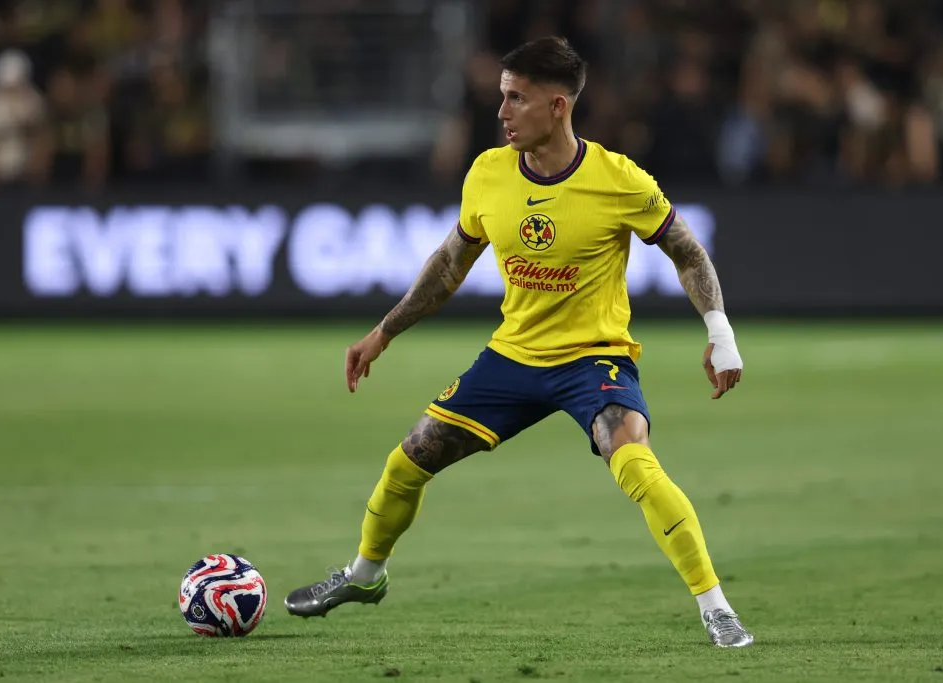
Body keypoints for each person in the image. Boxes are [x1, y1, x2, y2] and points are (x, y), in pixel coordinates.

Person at [284, 36, 753, 648]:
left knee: (633, 459)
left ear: (558, 107)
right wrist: (383, 331)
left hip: (593, 359)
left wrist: (720, 333)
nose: (501, 111)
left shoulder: (618, 179)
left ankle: (716, 607)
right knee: (409, 459)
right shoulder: (488, 173)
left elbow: (687, 252)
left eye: (515, 99)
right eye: (501, 97)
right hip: (513, 357)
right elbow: (450, 264)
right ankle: (364, 577)